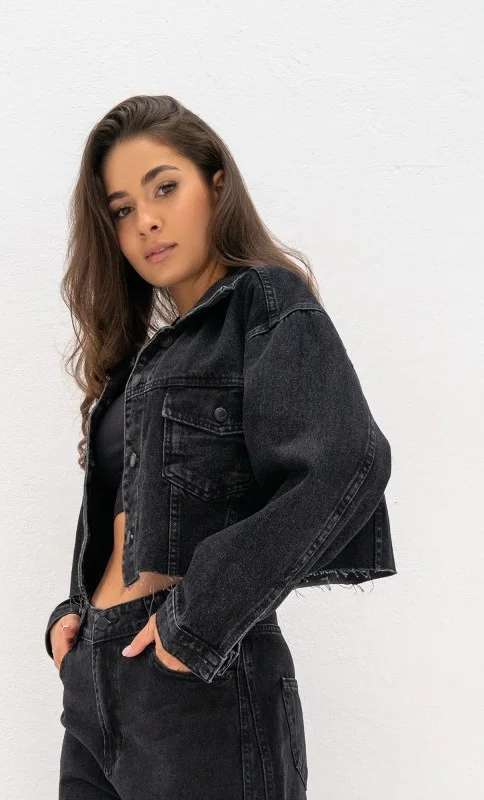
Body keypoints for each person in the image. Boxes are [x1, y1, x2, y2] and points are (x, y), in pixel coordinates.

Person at [44, 95, 397, 800]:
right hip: (93, 681)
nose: (145, 221)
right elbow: (124, 518)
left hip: (197, 688)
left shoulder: (265, 302)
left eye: (164, 188)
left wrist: (198, 622)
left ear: (216, 184)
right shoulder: (138, 364)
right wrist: (72, 614)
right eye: (121, 209)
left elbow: (346, 462)